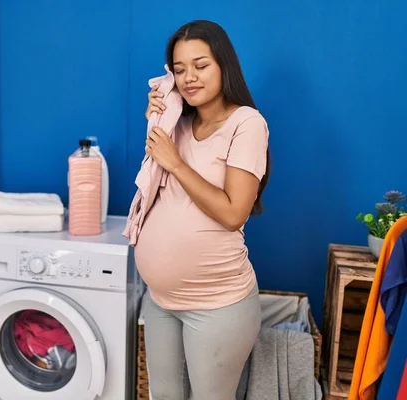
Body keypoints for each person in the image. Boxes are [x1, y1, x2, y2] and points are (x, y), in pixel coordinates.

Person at [134, 20, 271, 399]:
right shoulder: (178, 122)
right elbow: (152, 188)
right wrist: (159, 119)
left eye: (200, 65)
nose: (188, 78)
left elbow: (233, 214)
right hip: (161, 299)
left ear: (224, 65)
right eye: (179, 70)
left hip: (218, 304)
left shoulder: (247, 123)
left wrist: (176, 162)